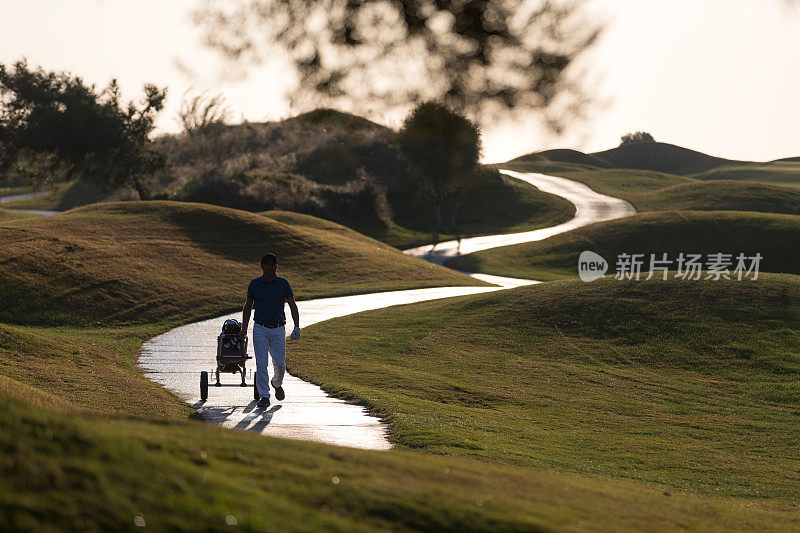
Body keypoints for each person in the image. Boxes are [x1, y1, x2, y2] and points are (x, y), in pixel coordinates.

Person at [238, 253, 300, 407]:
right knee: (261, 364)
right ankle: (264, 396)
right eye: (266, 264)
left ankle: (276, 384)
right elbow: (247, 307)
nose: (269, 267)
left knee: (280, 364)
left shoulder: (283, 284)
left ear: (276, 266)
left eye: (272, 264)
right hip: (260, 328)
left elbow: (292, 305)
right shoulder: (254, 284)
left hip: (278, 328)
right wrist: (243, 329)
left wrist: (297, 326)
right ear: (261, 267)